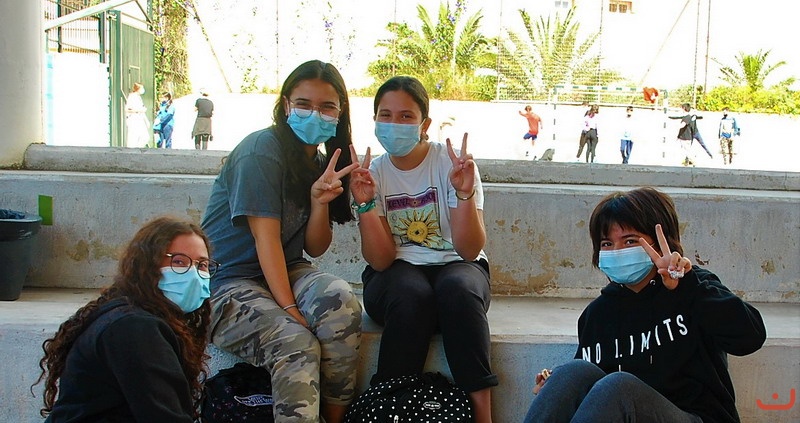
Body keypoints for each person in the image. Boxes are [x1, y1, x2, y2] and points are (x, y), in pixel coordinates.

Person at [200, 59, 362, 423]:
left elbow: (315, 248)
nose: (314, 114)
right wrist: (290, 309)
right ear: (286, 104)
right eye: (304, 104)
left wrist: (320, 202)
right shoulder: (261, 149)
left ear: (340, 113)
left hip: (285, 269)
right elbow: (266, 239)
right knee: (295, 342)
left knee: (341, 302)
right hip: (226, 281)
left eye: (327, 107)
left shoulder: (321, 161)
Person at [523, 187, 766, 423]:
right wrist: (555, 386)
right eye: (607, 244)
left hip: (695, 416)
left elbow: (750, 337)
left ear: (660, 244)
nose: (617, 251)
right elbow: (594, 396)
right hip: (623, 410)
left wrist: (686, 286)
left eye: (629, 241)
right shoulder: (597, 315)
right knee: (571, 372)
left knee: (619, 387)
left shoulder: (694, 286)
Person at [349, 75, 497, 423]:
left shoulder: (453, 165)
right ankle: (388, 411)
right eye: (385, 115)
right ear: (374, 121)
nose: (394, 124)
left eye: (406, 116)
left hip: (456, 264)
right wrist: (365, 204)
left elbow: (468, 250)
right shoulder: (372, 174)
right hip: (395, 273)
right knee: (411, 295)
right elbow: (381, 259)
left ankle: (483, 416)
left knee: (459, 290)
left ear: (424, 124)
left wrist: (464, 193)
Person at [35, 216, 217, 422]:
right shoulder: (135, 327)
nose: (193, 274)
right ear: (147, 266)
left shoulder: (134, 317)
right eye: (178, 262)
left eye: (202, 265)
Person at [125, 82, 151, 148]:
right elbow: (127, 109)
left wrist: (146, 121)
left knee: (145, 137)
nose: (143, 90)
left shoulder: (139, 97)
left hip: (140, 118)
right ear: (138, 89)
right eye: (142, 88)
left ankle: (137, 149)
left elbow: (142, 110)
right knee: (133, 138)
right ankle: (131, 151)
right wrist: (138, 110)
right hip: (134, 119)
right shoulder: (132, 96)